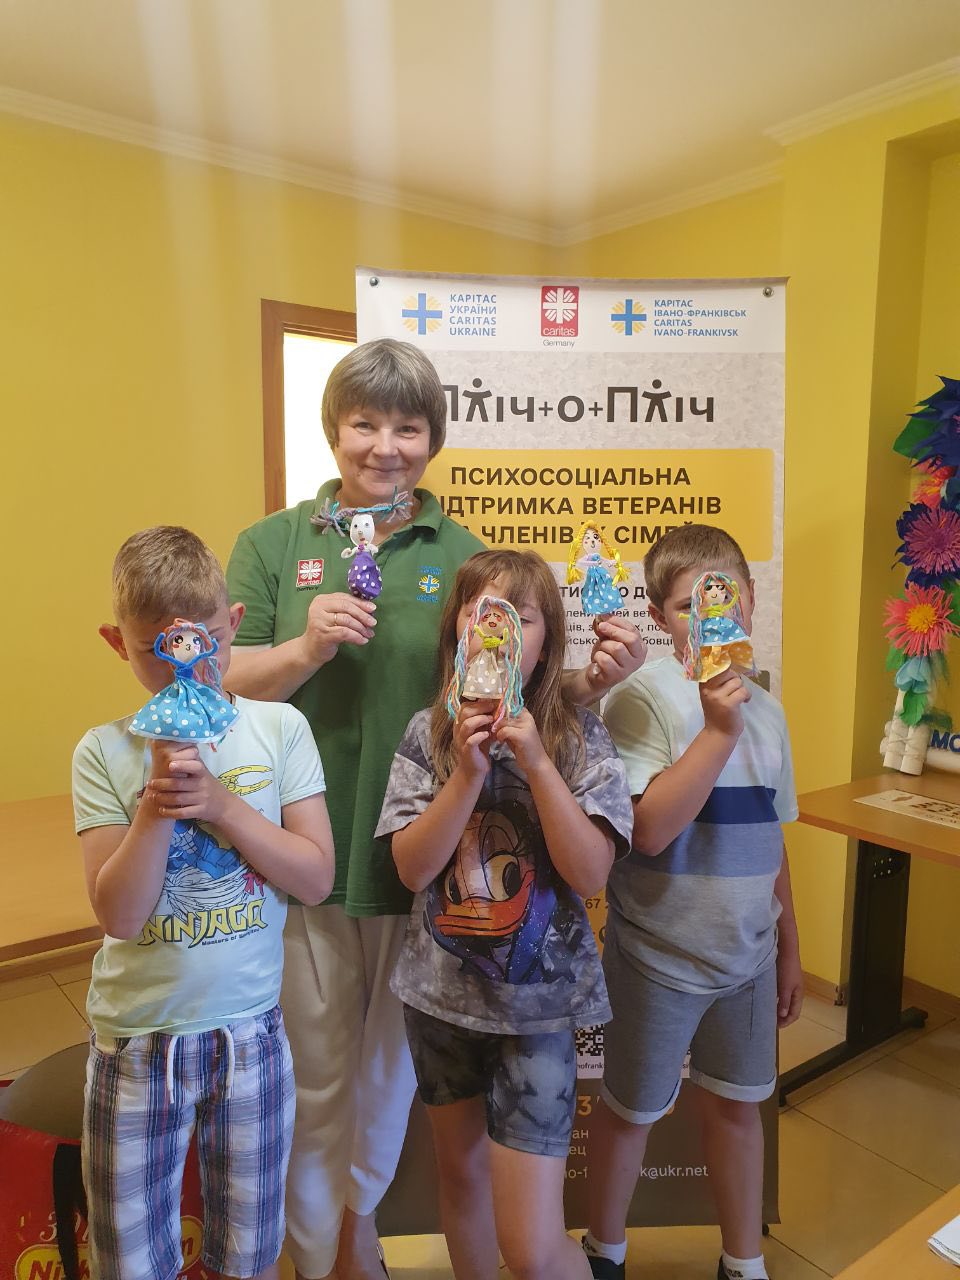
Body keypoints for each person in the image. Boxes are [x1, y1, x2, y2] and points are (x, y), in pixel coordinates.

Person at [224, 339, 646, 1280]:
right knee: (314, 1073)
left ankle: (358, 1234)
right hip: (299, 852)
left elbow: (518, 686)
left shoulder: (461, 556)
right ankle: (315, 1252)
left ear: (433, 438)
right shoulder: (272, 544)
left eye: (408, 427)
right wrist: (301, 650)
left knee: (385, 1082)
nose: (385, 446)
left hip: (421, 872)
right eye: (364, 423)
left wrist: (593, 683)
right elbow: (215, 680)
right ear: (333, 429)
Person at [72, 525, 334, 1280]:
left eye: (206, 642)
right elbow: (120, 916)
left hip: (251, 1034)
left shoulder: (279, 728)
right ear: (118, 644)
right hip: (137, 1042)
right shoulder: (103, 751)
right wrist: (156, 804)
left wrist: (221, 805)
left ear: (234, 625)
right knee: (131, 1258)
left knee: (248, 1252)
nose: (187, 665)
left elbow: (315, 877)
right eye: (159, 650)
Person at [376, 549, 635, 1280]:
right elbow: (412, 868)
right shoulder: (426, 734)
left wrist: (538, 763)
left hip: (539, 1013)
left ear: (544, 643)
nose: (496, 629)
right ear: (456, 633)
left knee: (531, 1246)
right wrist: (466, 773)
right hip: (440, 1002)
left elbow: (590, 873)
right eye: (479, 612)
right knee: (461, 1183)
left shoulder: (580, 736)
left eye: (518, 616)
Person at [583, 524, 803, 1280]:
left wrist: (791, 948)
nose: (711, 615)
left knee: (739, 1108)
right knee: (631, 1111)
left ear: (751, 599)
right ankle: (605, 1250)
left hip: (748, 960)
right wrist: (717, 730)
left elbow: (773, 841)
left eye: (725, 597)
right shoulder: (642, 698)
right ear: (658, 616)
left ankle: (744, 1261)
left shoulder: (769, 710)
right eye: (688, 605)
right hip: (656, 958)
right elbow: (646, 831)